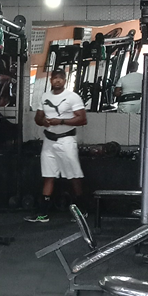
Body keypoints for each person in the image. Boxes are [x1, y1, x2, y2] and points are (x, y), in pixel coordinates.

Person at [26, 68, 87, 223]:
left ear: (65, 80)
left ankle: (82, 211)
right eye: (55, 78)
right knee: (48, 175)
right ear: (51, 80)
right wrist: (44, 121)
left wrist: (60, 121)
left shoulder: (72, 97)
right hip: (49, 141)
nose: (58, 80)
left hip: (66, 140)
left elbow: (82, 119)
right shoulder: (45, 96)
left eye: (61, 78)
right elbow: (38, 118)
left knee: (74, 175)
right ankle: (43, 214)